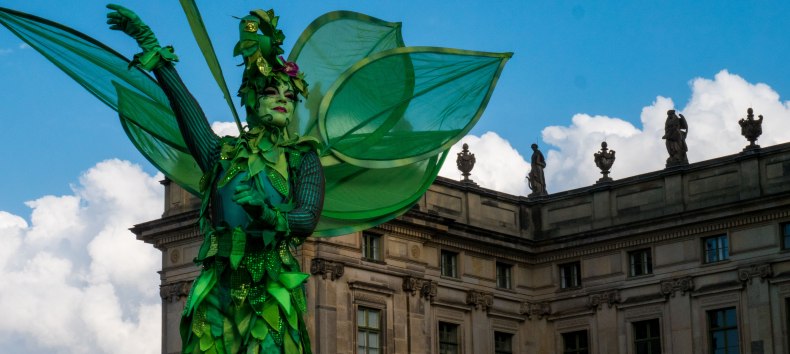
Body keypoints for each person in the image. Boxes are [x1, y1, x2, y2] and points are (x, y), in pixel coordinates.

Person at [107, 5, 322, 353]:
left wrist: (267, 213)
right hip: (218, 287)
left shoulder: (302, 158)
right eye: (272, 93)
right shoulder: (220, 154)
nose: (283, 101)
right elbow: (187, 112)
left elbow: (307, 217)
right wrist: (154, 52)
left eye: (290, 96)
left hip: (270, 291)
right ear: (252, 100)